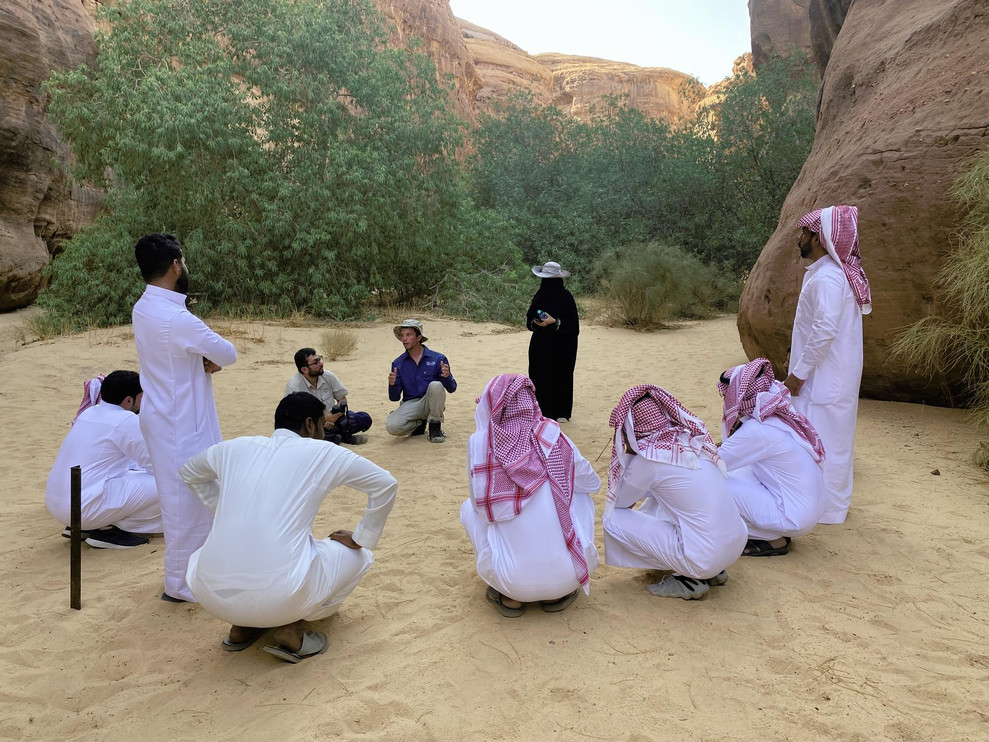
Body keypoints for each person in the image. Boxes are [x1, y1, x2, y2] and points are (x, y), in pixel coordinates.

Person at [179, 392, 397, 663]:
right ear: (309, 424)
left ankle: (242, 627)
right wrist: (361, 536)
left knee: (276, 555)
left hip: (209, 595)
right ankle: (288, 628)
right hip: (280, 597)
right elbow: (385, 484)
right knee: (361, 555)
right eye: (321, 424)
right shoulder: (322, 451)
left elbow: (189, 472)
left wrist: (219, 506)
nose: (323, 430)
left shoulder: (232, 447)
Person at [132, 233, 237, 603]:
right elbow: (228, 352)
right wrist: (208, 359)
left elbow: (184, 355)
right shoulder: (176, 317)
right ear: (176, 265)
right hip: (180, 422)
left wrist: (199, 362)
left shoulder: (144, 306)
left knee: (188, 499)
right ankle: (179, 585)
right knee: (184, 504)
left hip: (166, 414)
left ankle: (197, 574)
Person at [460, 374, 600, 617]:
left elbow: (478, 506)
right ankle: (558, 591)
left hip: (513, 584)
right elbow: (592, 483)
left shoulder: (480, 443)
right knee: (580, 493)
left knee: (468, 508)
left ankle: (510, 597)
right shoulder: (555, 436)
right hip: (571, 576)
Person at [602, 385, 747, 600]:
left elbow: (620, 502)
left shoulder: (648, 460)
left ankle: (690, 579)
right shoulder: (691, 441)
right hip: (735, 546)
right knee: (662, 499)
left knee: (611, 519)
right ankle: (712, 570)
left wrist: (632, 455)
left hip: (705, 557)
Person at [784, 205, 871, 525]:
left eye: (804, 233)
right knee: (828, 442)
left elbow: (824, 330)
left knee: (824, 444)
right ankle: (823, 508)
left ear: (819, 238)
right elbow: (815, 329)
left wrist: (797, 375)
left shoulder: (830, 278)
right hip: (831, 376)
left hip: (824, 380)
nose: (800, 239)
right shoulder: (828, 274)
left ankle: (825, 511)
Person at [717, 358, 826, 556]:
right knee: (740, 470)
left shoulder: (757, 430)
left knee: (708, 483)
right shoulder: (777, 413)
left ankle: (771, 537)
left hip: (792, 515)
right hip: (807, 509)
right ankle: (769, 532)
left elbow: (714, 462)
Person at [46, 371, 161, 549]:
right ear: (128, 400)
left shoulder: (90, 413)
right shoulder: (126, 420)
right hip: (83, 508)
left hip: (59, 504)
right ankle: (106, 529)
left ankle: (90, 525)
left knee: (136, 477)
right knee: (168, 484)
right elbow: (156, 466)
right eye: (141, 397)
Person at [386, 319, 456, 443]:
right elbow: (394, 398)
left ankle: (435, 426)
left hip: (431, 403)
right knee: (392, 427)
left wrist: (447, 376)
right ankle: (419, 424)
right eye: (402, 335)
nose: (404, 339)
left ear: (419, 337)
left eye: (408, 335)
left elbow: (452, 388)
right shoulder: (398, 363)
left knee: (436, 385)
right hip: (410, 404)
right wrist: (392, 384)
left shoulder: (438, 358)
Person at [526, 261, 579, 422]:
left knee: (561, 374)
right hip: (541, 344)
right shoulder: (539, 295)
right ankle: (542, 410)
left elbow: (573, 325)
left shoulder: (566, 297)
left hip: (562, 346)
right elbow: (530, 318)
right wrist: (536, 322)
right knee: (539, 375)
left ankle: (561, 411)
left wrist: (554, 322)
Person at [284, 347, 372, 445]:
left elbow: (342, 398)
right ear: (304, 369)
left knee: (364, 419)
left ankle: (336, 437)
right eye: (316, 362)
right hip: (312, 426)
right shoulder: (294, 387)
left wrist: (337, 413)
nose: (321, 363)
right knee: (305, 435)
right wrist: (322, 419)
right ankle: (342, 437)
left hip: (335, 420)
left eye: (320, 359)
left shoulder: (328, 376)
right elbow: (294, 418)